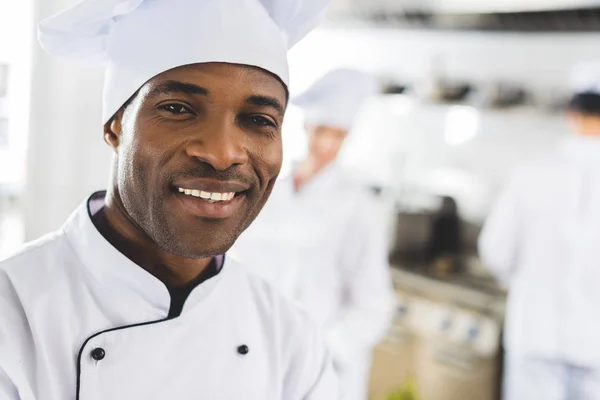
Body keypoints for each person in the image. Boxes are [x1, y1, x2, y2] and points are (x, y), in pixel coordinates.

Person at [0, 0, 339, 399]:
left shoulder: (290, 339)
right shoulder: (13, 313)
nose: (222, 152)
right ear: (115, 126)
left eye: (258, 120)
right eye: (178, 109)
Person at [231, 69, 395, 400]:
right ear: (305, 127)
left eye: (336, 135)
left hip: (322, 368)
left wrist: (323, 348)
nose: (324, 143)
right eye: (320, 130)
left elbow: (373, 304)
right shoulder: (269, 189)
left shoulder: (358, 206)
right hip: (258, 353)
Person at [479, 61, 600, 400]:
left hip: (535, 334)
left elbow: (495, 251)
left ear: (570, 115)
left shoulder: (531, 174)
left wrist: (527, 284)